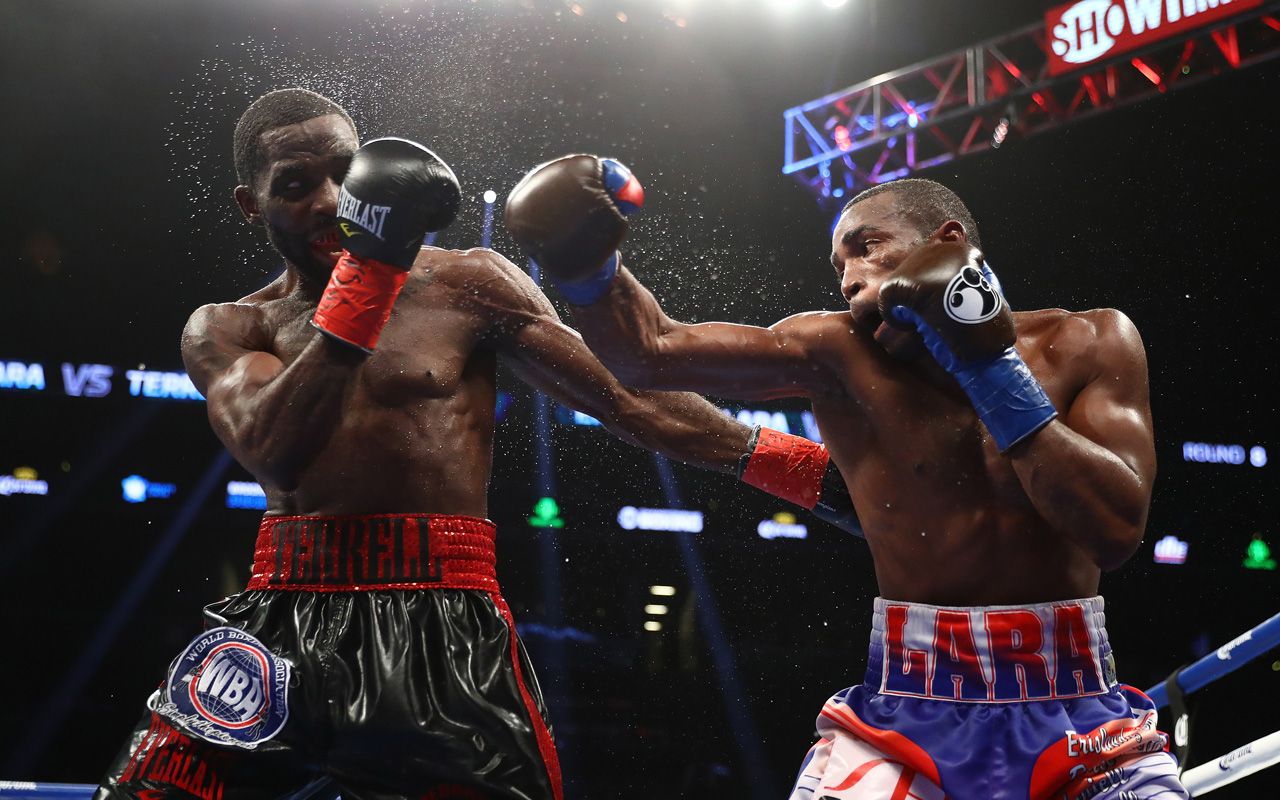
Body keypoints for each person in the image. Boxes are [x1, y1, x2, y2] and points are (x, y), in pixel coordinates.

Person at [94, 90, 857, 800]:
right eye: (296, 184)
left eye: (344, 175)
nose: (330, 200)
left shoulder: (468, 284)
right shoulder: (228, 328)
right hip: (279, 623)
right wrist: (371, 271)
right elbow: (274, 446)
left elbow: (629, 400)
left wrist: (818, 479)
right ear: (248, 203)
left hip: (444, 623)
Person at [504, 158, 1189, 799]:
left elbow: (1114, 531)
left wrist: (988, 364)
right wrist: (587, 268)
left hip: (1081, 720)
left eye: (866, 246)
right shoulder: (833, 350)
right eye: (838, 264)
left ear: (946, 243)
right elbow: (650, 354)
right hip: (905, 723)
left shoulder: (1091, 340)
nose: (848, 277)